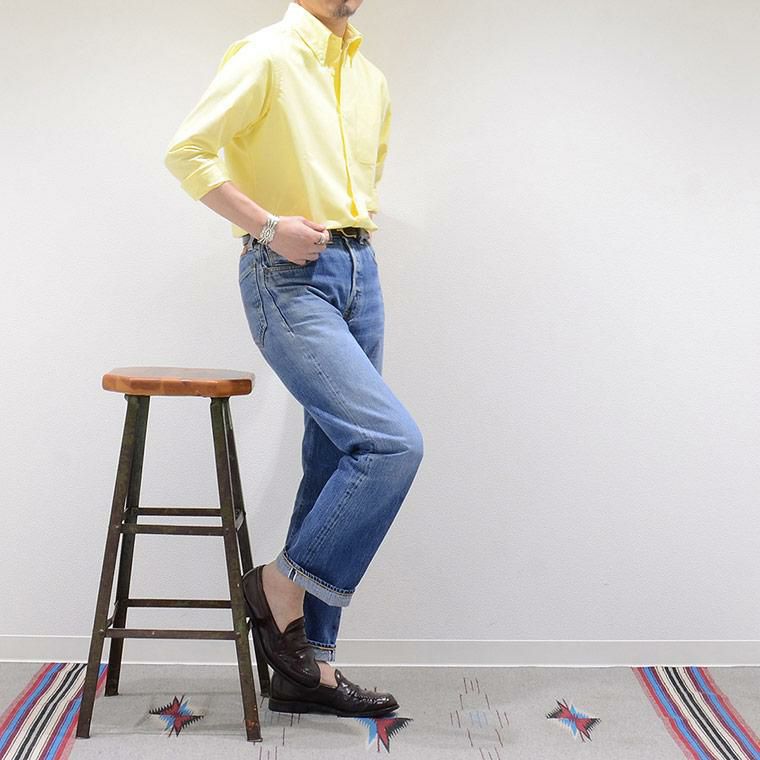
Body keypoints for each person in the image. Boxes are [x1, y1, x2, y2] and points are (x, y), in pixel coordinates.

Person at [163, 0, 423, 717]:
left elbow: (364, 180)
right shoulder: (266, 54)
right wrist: (269, 225)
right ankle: (278, 585)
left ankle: (311, 671)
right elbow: (187, 151)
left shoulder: (370, 79)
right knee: (391, 444)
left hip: (359, 269)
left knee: (341, 456)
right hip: (286, 274)